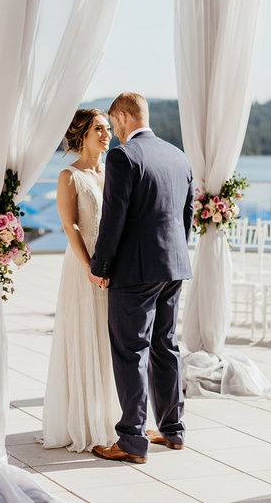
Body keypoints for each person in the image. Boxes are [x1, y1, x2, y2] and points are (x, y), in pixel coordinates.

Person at [90, 92, 194, 464]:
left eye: (113, 123)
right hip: (174, 265)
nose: (113, 132)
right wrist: (176, 256)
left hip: (136, 270)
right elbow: (187, 216)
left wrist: (100, 267)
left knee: (131, 349)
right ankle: (172, 429)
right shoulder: (176, 154)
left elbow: (113, 219)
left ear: (121, 116)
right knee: (165, 345)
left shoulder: (123, 155)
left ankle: (132, 439)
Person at [40, 108, 120, 452]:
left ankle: (111, 416)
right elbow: (69, 225)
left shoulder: (113, 170)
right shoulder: (69, 176)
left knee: (110, 338)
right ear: (83, 135)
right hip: (83, 265)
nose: (107, 134)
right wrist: (89, 265)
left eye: (108, 129)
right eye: (99, 129)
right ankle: (84, 420)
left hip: (114, 267)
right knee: (85, 334)